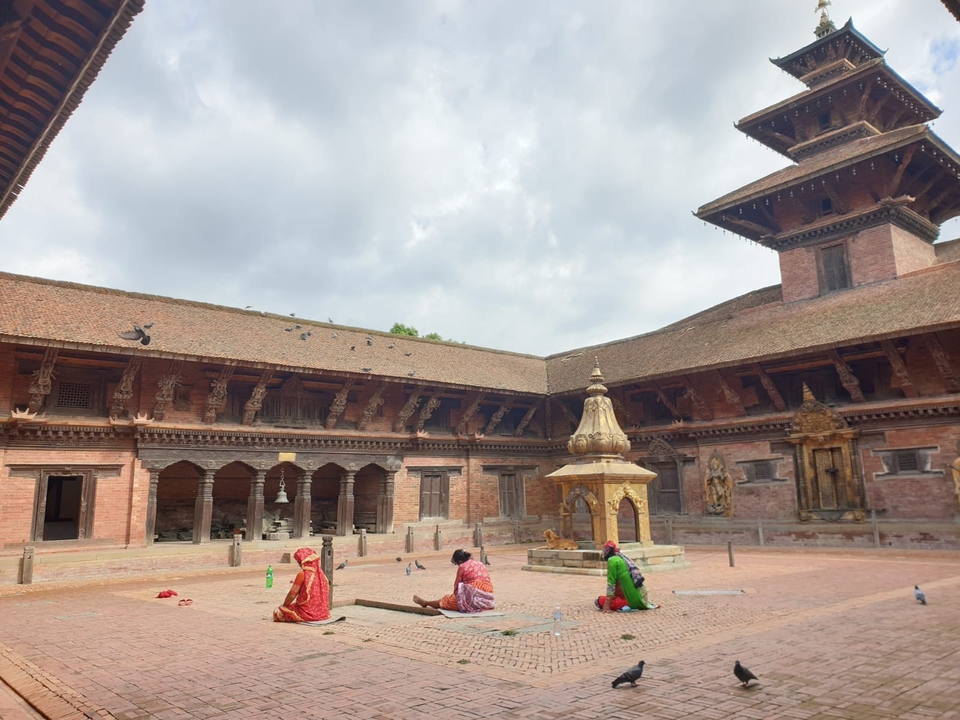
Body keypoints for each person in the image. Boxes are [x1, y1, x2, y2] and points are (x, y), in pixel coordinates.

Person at [413, 549, 494, 613]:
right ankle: (427, 602)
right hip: (487, 596)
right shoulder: (480, 563)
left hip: (473, 594)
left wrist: (455, 598)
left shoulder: (462, 566)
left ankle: (426, 603)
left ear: (460, 562)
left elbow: (457, 586)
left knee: (447, 600)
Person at [595, 540, 658, 612]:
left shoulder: (612, 560)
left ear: (607, 551)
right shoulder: (621, 557)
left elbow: (611, 584)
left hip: (633, 602)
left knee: (598, 600)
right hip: (642, 599)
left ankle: (626, 604)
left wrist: (607, 605)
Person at [273, 547, 331, 622]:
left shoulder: (302, 575)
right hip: (323, 613)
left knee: (277, 612)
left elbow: (292, 595)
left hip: (306, 613)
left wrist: (284, 605)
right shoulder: (322, 575)